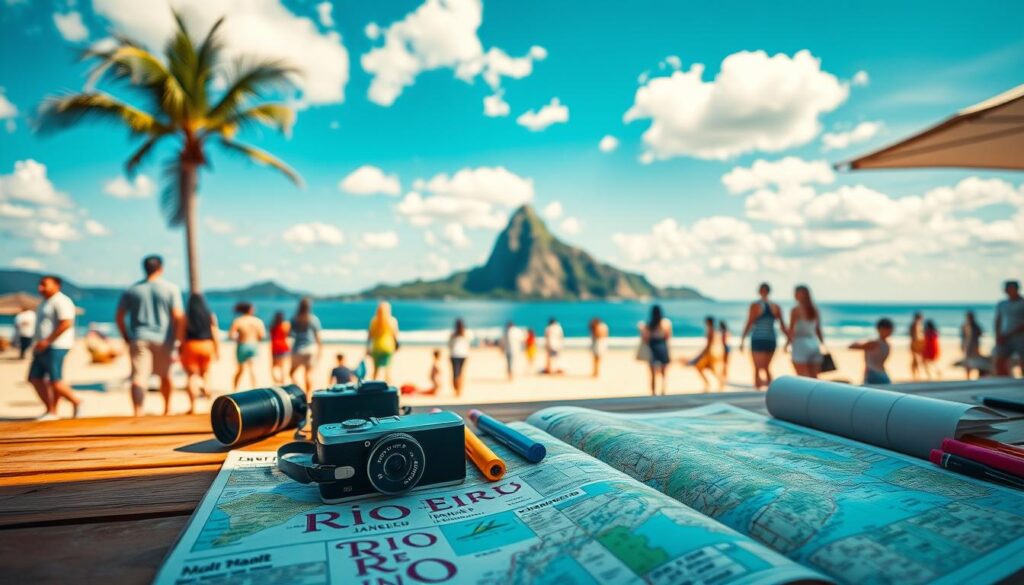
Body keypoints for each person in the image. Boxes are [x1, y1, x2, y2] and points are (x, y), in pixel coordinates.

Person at [117, 255, 185, 416]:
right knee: (166, 375)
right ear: (161, 268)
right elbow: (178, 316)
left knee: (139, 376)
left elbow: (119, 317)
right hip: (164, 339)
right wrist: (179, 339)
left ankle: (138, 412)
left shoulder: (132, 290)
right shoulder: (171, 288)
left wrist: (126, 336)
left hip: (139, 337)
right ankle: (167, 409)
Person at [27, 275, 82, 419]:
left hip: (56, 345)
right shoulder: (45, 302)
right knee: (35, 377)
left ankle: (76, 401)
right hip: (43, 345)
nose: (40, 288)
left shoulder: (61, 301)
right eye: (40, 284)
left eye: (45, 284)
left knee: (55, 380)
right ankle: (51, 410)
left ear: (57, 285)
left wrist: (47, 340)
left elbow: (66, 323)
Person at [740, 283, 787, 391]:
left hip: (758, 338)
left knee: (757, 368)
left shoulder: (755, 305)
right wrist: (789, 340)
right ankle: (772, 392)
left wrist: (742, 339)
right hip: (771, 339)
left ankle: (757, 392)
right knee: (766, 368)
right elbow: (783, 326)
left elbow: (749, 323)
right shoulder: (776, 306)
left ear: (759, 291)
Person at [180, 294, 219, 413]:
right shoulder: (210, 315)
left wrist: (180, 348)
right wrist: (217, 349)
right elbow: (214, 332)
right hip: (207, 345)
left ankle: (193, 407)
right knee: (206, 374)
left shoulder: (186, 316)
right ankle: (209, 406)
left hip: (191, 345)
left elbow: (181, 334)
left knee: (192, 376)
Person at [788, 285, 825, 379]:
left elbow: (791, 329)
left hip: (800, 343)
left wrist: (787, 343)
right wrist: (822, 343)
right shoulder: (814, 309)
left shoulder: (795, 310)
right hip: (813, 343)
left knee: (802, 378)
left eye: (796, 293)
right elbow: (818, 329)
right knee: (814, 378)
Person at [289, 298, 322, 395]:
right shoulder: (313, 319)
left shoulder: (294, 319)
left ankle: (300, 390)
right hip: (310, 349)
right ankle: (308, 395)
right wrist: (320, 350)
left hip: (298, 349)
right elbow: (318, 337)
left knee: (291, 373)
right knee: (308, 374)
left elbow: (290, 334)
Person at [229, 302, 265, 390]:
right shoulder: (258, 321)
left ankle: (235, 389)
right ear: (250, 310)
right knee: (253, 370)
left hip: (242, 346)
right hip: (253, 346)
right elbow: (262, 336)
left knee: (240, 370)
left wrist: (239, 338)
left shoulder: (238, 321)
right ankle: (255, 389)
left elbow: (231, 335)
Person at [994, 280, 1024, 377]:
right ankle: (1004, 382)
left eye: (1010, 288)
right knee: (999, 361)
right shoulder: (1002, 304)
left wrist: (1008, 334)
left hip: (1020, 338)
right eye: (1006, 289)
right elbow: (997, 320)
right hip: (1004, 337)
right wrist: (997, 335)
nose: (1008, 291)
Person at [851, 318, 894, 385]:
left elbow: (852, 346)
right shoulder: (883, 344)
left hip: (874, 373)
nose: (890, 330)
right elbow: (852, 346)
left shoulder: (876, 343)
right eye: (888, 328)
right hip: (878, 373)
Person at [641, 305, 672, 396]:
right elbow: (667, 337)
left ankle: (653, 392)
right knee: (664, 371)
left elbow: (646, 339)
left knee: (652, 372)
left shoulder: (648, 324)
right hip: (662, 346)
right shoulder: (666, 323)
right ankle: (663, 390)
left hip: (652, 346)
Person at [690, 316, 725, 392]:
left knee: (699, 366)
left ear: (708, 322)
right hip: (717, 352)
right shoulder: (716, 330)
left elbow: (709, 344)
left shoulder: (710, 330)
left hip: (710, 353)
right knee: (712, 369)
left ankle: (709, 382)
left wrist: (700, 355)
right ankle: (719, 382)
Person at [367, 301, 400, 382]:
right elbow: (395, 336)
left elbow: (370, 336)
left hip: (377, 347)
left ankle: (372, 388)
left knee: (375, 371)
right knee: (387, 371)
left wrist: (367, 348)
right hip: (388, 347)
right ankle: (388, 390)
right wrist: (397, 346)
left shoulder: (374, 321)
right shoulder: (392, 320)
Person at [449, 318, 473, 397]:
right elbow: (469, 343)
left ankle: (456, 389)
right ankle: (460, 390)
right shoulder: (466, 333)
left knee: (455, 373)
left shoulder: (453, 334)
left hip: (454, 354)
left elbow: (450, 345)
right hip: (463, 354)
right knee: (461, 373)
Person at [960, 310, 984, 379]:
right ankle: (968, 377)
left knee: (976, 363)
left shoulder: (976, 326)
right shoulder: (964, 326)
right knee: (967, 362)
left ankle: (978, 377)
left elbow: (980, 334)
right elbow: (963, 337)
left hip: (974, 346)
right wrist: (962, 345)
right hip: (968, 347)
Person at [269, 311, 291, 384]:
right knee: (283, 368)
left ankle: (276, 380)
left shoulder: (272, 326)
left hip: (275, 347)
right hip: (284, 347)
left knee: (274, 366)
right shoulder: (286, 325)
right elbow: (288, 334)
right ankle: (282, 382)